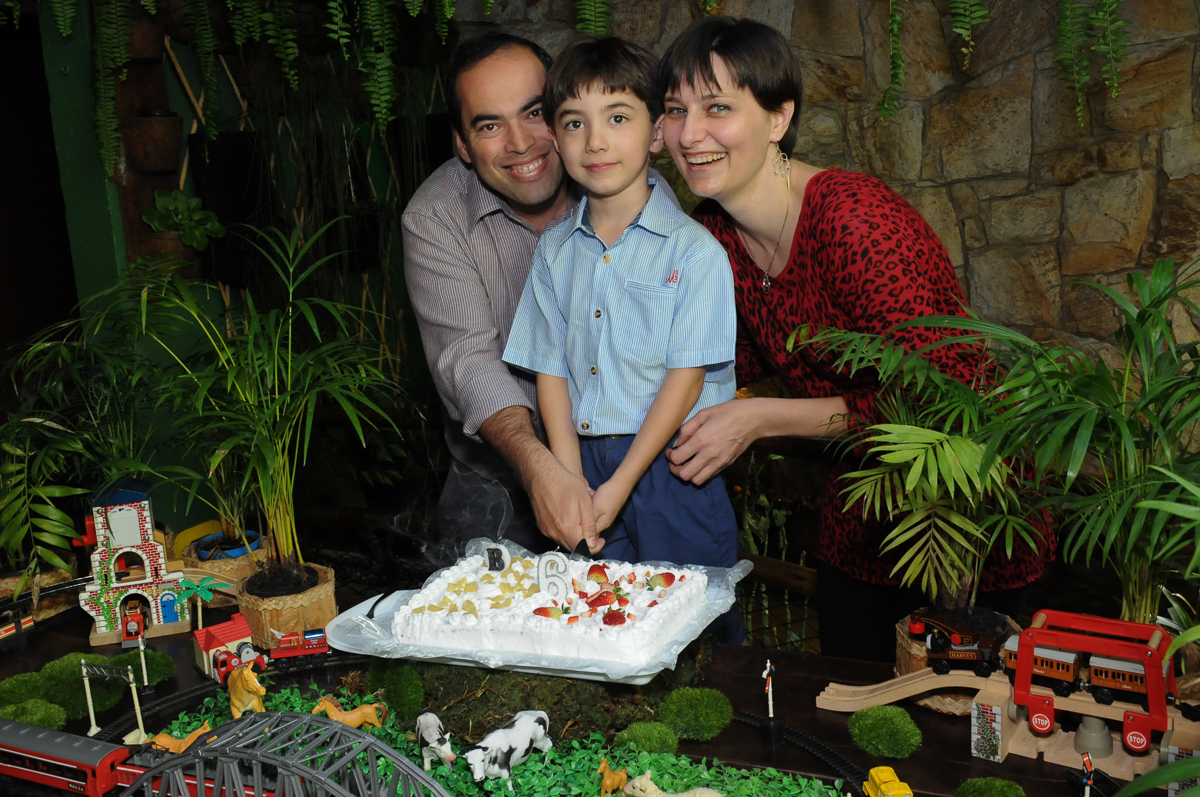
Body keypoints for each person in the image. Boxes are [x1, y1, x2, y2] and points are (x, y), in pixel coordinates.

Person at [655, 16, 1053, 661]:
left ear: (778, 118)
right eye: (675, 110)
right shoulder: (716, 234)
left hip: (963, 517)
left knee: (965, 734)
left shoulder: (854, 219)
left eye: (718, 108)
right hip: (862, 514)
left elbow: (942, 400)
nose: (690, 133)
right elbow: (718, 361)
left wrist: (761, 416)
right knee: (852, 708)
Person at [502, 37, 744, 644]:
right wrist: (566, 474)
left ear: (658, 132)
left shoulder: (696, 252)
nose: (596, 141)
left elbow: (686, 378)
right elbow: (549, 368)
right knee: (599, 623)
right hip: (585, 463)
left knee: (696, 628)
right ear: (556, 140)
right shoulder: (554, 250)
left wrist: (622, 480)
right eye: (574, 123)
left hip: (672, 467)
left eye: (617, 118)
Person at [403, 33, 596, 562]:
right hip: (498, 481)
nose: (519, 143)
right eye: (489, 125)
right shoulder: (435, 216)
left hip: (623, 463)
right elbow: (467, 360)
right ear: (463, 144)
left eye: (535, 113)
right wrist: (539, 468)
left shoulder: (620, 186)